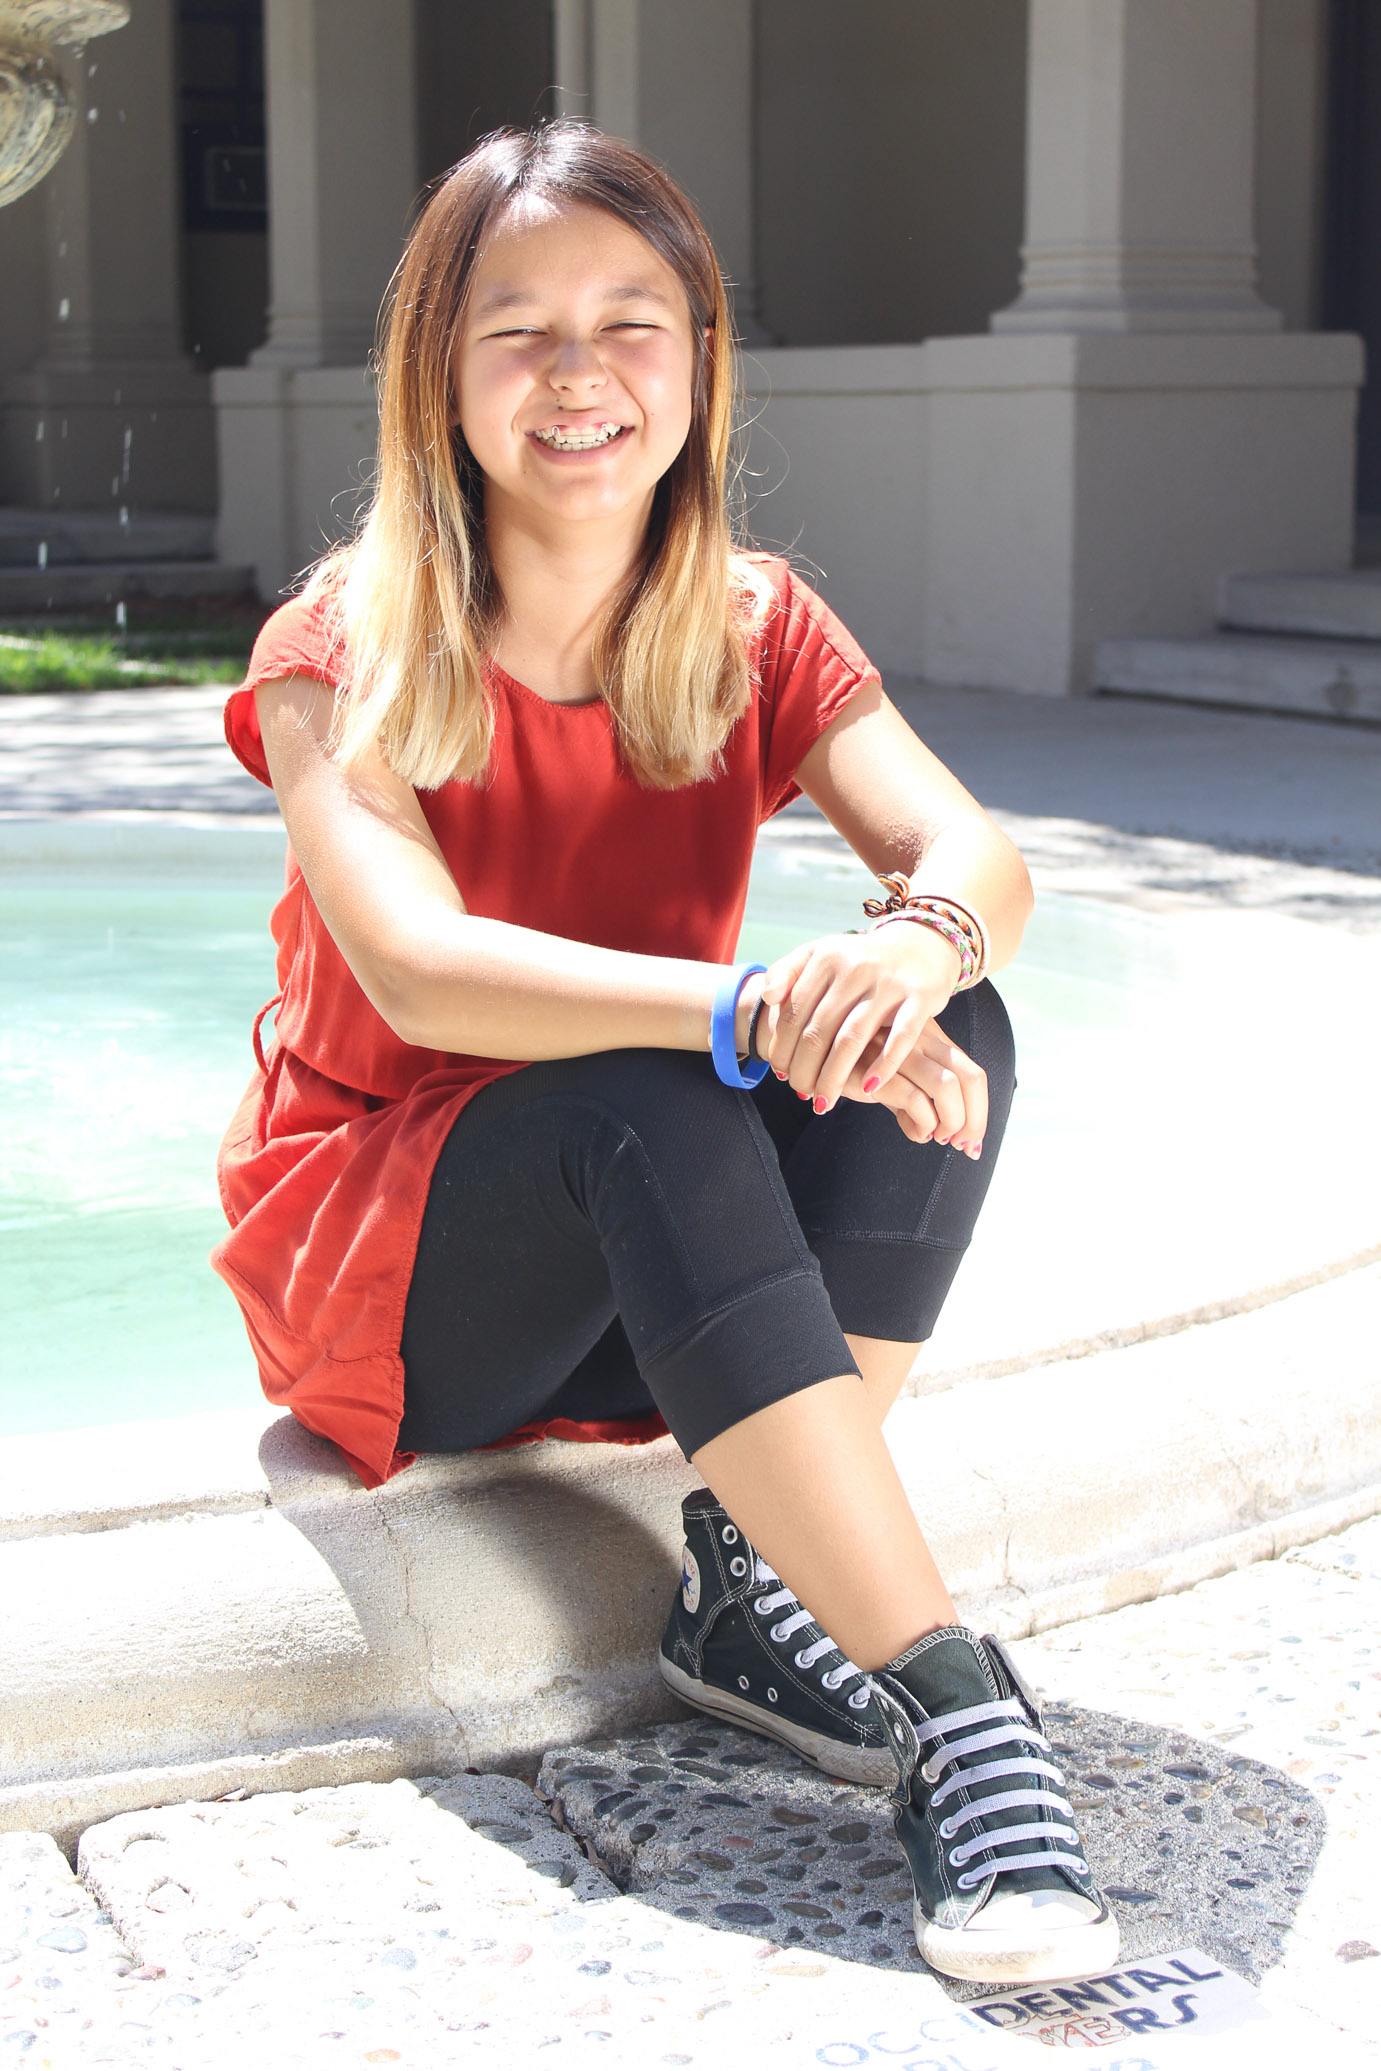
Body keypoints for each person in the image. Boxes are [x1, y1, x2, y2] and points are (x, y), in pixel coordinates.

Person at [214, 122, 1117, 1986]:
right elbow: (422, 971)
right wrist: (744, 1008)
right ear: (437, 374)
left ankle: (752, 1584)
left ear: (698, 360)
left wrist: (910, 949)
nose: (579, 373)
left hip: (643, 1223)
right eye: (517, 329)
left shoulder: (751, 621)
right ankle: (953, 1711)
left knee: (945, 1014)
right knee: (659, 1084)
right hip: (394, 1266)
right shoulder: (344, 643)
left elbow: (975, 860)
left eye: (630, 322)